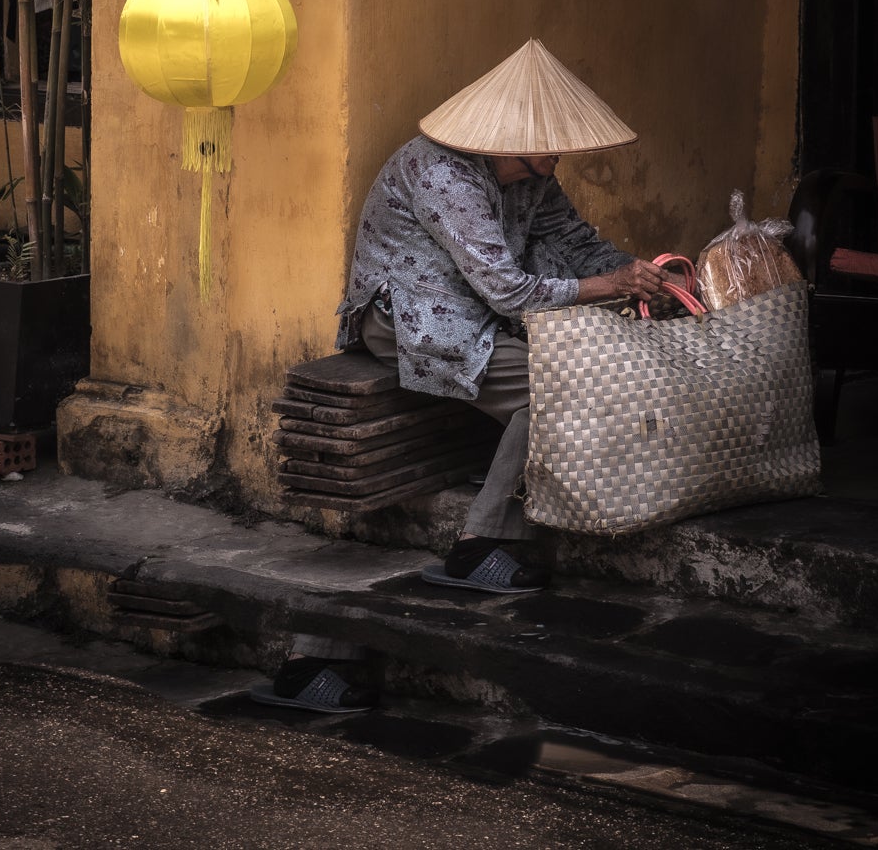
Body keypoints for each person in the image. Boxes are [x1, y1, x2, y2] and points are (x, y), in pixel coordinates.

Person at [263, 39, 663, 711]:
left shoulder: (532, 179)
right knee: (554, 386)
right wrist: (608, 285)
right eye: (546, 145)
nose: (555, 156)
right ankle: (481, 543)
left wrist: (643, 272)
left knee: (567, 377)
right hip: (409, 320)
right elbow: (509, 293)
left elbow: (578, 244)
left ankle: (492, 532)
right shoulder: (442, 176)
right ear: (508, 138)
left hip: (475, 312)